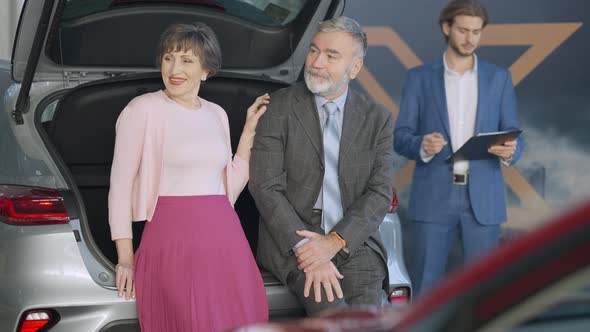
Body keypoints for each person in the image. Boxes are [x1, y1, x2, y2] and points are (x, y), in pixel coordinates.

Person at [108, 22, 269, 331]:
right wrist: (125, 257)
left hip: (226, 238)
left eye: (186, 60)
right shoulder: (141, 110)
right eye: (169, 57)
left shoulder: (217, 113)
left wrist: (248, 130)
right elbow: (120, 187)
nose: (174, 68)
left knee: (242, 319)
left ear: (206, 70)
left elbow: (228, 191)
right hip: (172, 241)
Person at [249, 16, 394, 315]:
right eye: (314, 51)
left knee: (366, 320)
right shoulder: (278, 107)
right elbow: (265, 187)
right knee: (335, 316)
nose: (316, 62)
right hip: (292, 239)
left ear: (354, 68)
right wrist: (308, 250)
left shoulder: (377, 118)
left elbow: (379, 192)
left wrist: (336, 241)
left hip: (353, 240)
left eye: (331, 56)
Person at [394, 0, 524, 296]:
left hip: (484, 199)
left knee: (486, 290)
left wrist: (511, 151)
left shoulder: (499, 78)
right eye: (464, 30)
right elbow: (400, 137)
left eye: (477, 32)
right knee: (425, 286)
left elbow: (516, 135)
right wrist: (421, 145)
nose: (470, 39)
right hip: (433, 196)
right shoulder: (418, 78)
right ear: (446, 28)